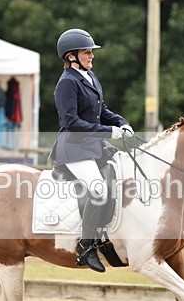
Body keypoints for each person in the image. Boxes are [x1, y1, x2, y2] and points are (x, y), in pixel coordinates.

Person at [50, 28, 134, 272]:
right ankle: (86, 247)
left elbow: (102, 110)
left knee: (121, 177)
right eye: (87, 52)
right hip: (74, 147)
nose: (91, 55)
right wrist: (109, 132)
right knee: (98, 189)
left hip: (94, 146)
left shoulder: (90, 77)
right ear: (71, 55)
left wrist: (121, 122)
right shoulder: (66, 83)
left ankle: (109, 235)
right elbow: (71, 123)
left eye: (90, 52)